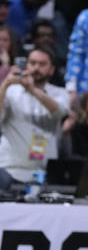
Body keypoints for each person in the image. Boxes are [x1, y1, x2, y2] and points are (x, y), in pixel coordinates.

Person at [0, 46, 71, 190]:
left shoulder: (60, 93)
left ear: (51, 69)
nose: (36, 68)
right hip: (9, 169)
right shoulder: (11, 91)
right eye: (32, 63)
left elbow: (59, 111)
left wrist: (32, 90)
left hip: (42, 173)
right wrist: (5, 84)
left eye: (42, 64)